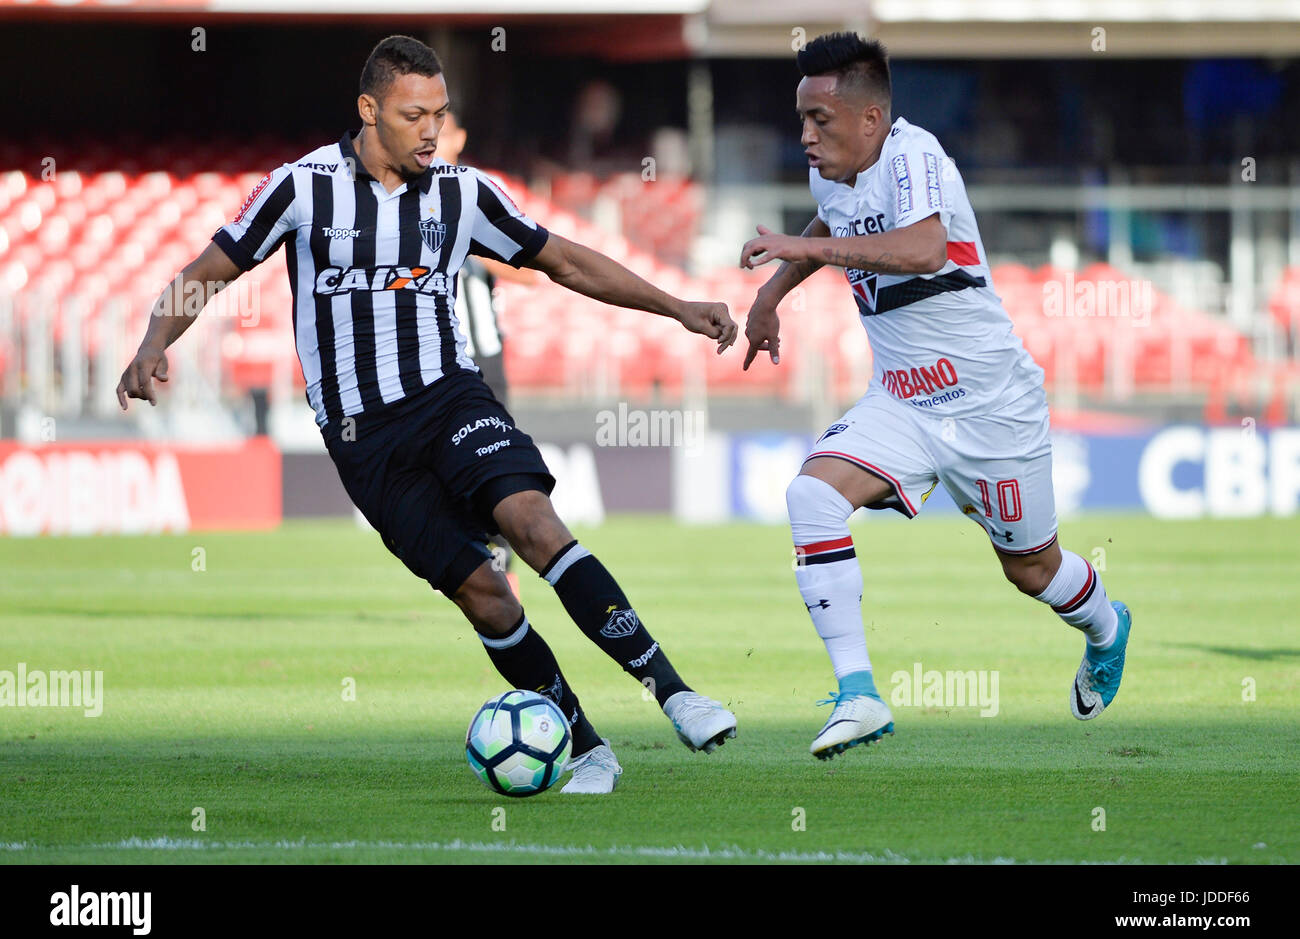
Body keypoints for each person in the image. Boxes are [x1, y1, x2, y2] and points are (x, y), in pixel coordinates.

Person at [117, 35, 739, 793]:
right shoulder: (300, 187)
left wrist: (677, 307)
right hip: (364, 438)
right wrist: (153, 341)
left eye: (440, 115)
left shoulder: (462, 193)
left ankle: (676, 693)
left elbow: (565, 260)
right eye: (415, 116)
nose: (431, 132)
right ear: (369, 110)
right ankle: (584, 744)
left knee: (534, 523)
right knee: (485, 591)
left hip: (450, 397)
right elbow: (206, 271)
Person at [739, 33, 1131, 760]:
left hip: (990, 406)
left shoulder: (915, 156)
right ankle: (857, 693)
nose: (805, 136)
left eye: (820, 120)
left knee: (1031, 570)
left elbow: (923, 249)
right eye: (801, 118)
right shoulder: (834, 173)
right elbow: (830, 223)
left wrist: (803, 254)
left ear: (871, 118)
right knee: (812, 499)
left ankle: (1107, 628)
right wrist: (771, 295)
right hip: (902, 403)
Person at [434, 108, 532, 591]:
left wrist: (470, 246)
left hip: (486, 362)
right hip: (438, 363)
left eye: (441, 128)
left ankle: (504, 573)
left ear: (459, 137)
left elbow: (530, 266)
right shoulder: (410, 198)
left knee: (496, 465)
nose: (431, 136)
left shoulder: (472, 194)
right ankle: (472, 574)